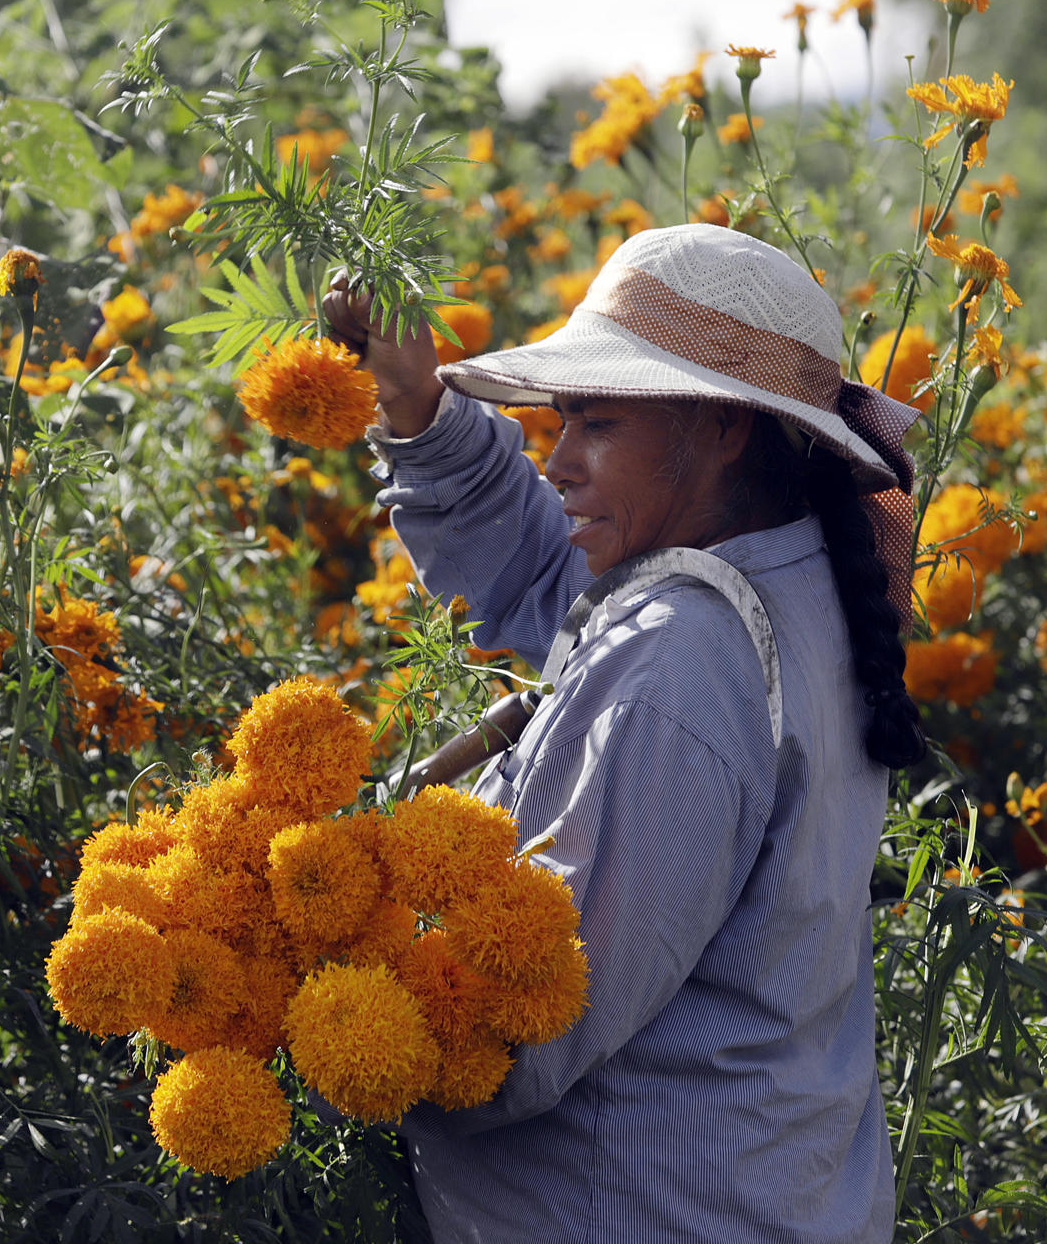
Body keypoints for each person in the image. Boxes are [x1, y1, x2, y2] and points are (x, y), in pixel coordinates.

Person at [324, 223, 927, 1242]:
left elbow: (522, 1025)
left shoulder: (678, 663)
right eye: (559, 422)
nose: (557, 461)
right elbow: (553, 579)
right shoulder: (781, 580)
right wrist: (419, 407)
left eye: (595, 423)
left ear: (724, 426)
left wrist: (318, 977)